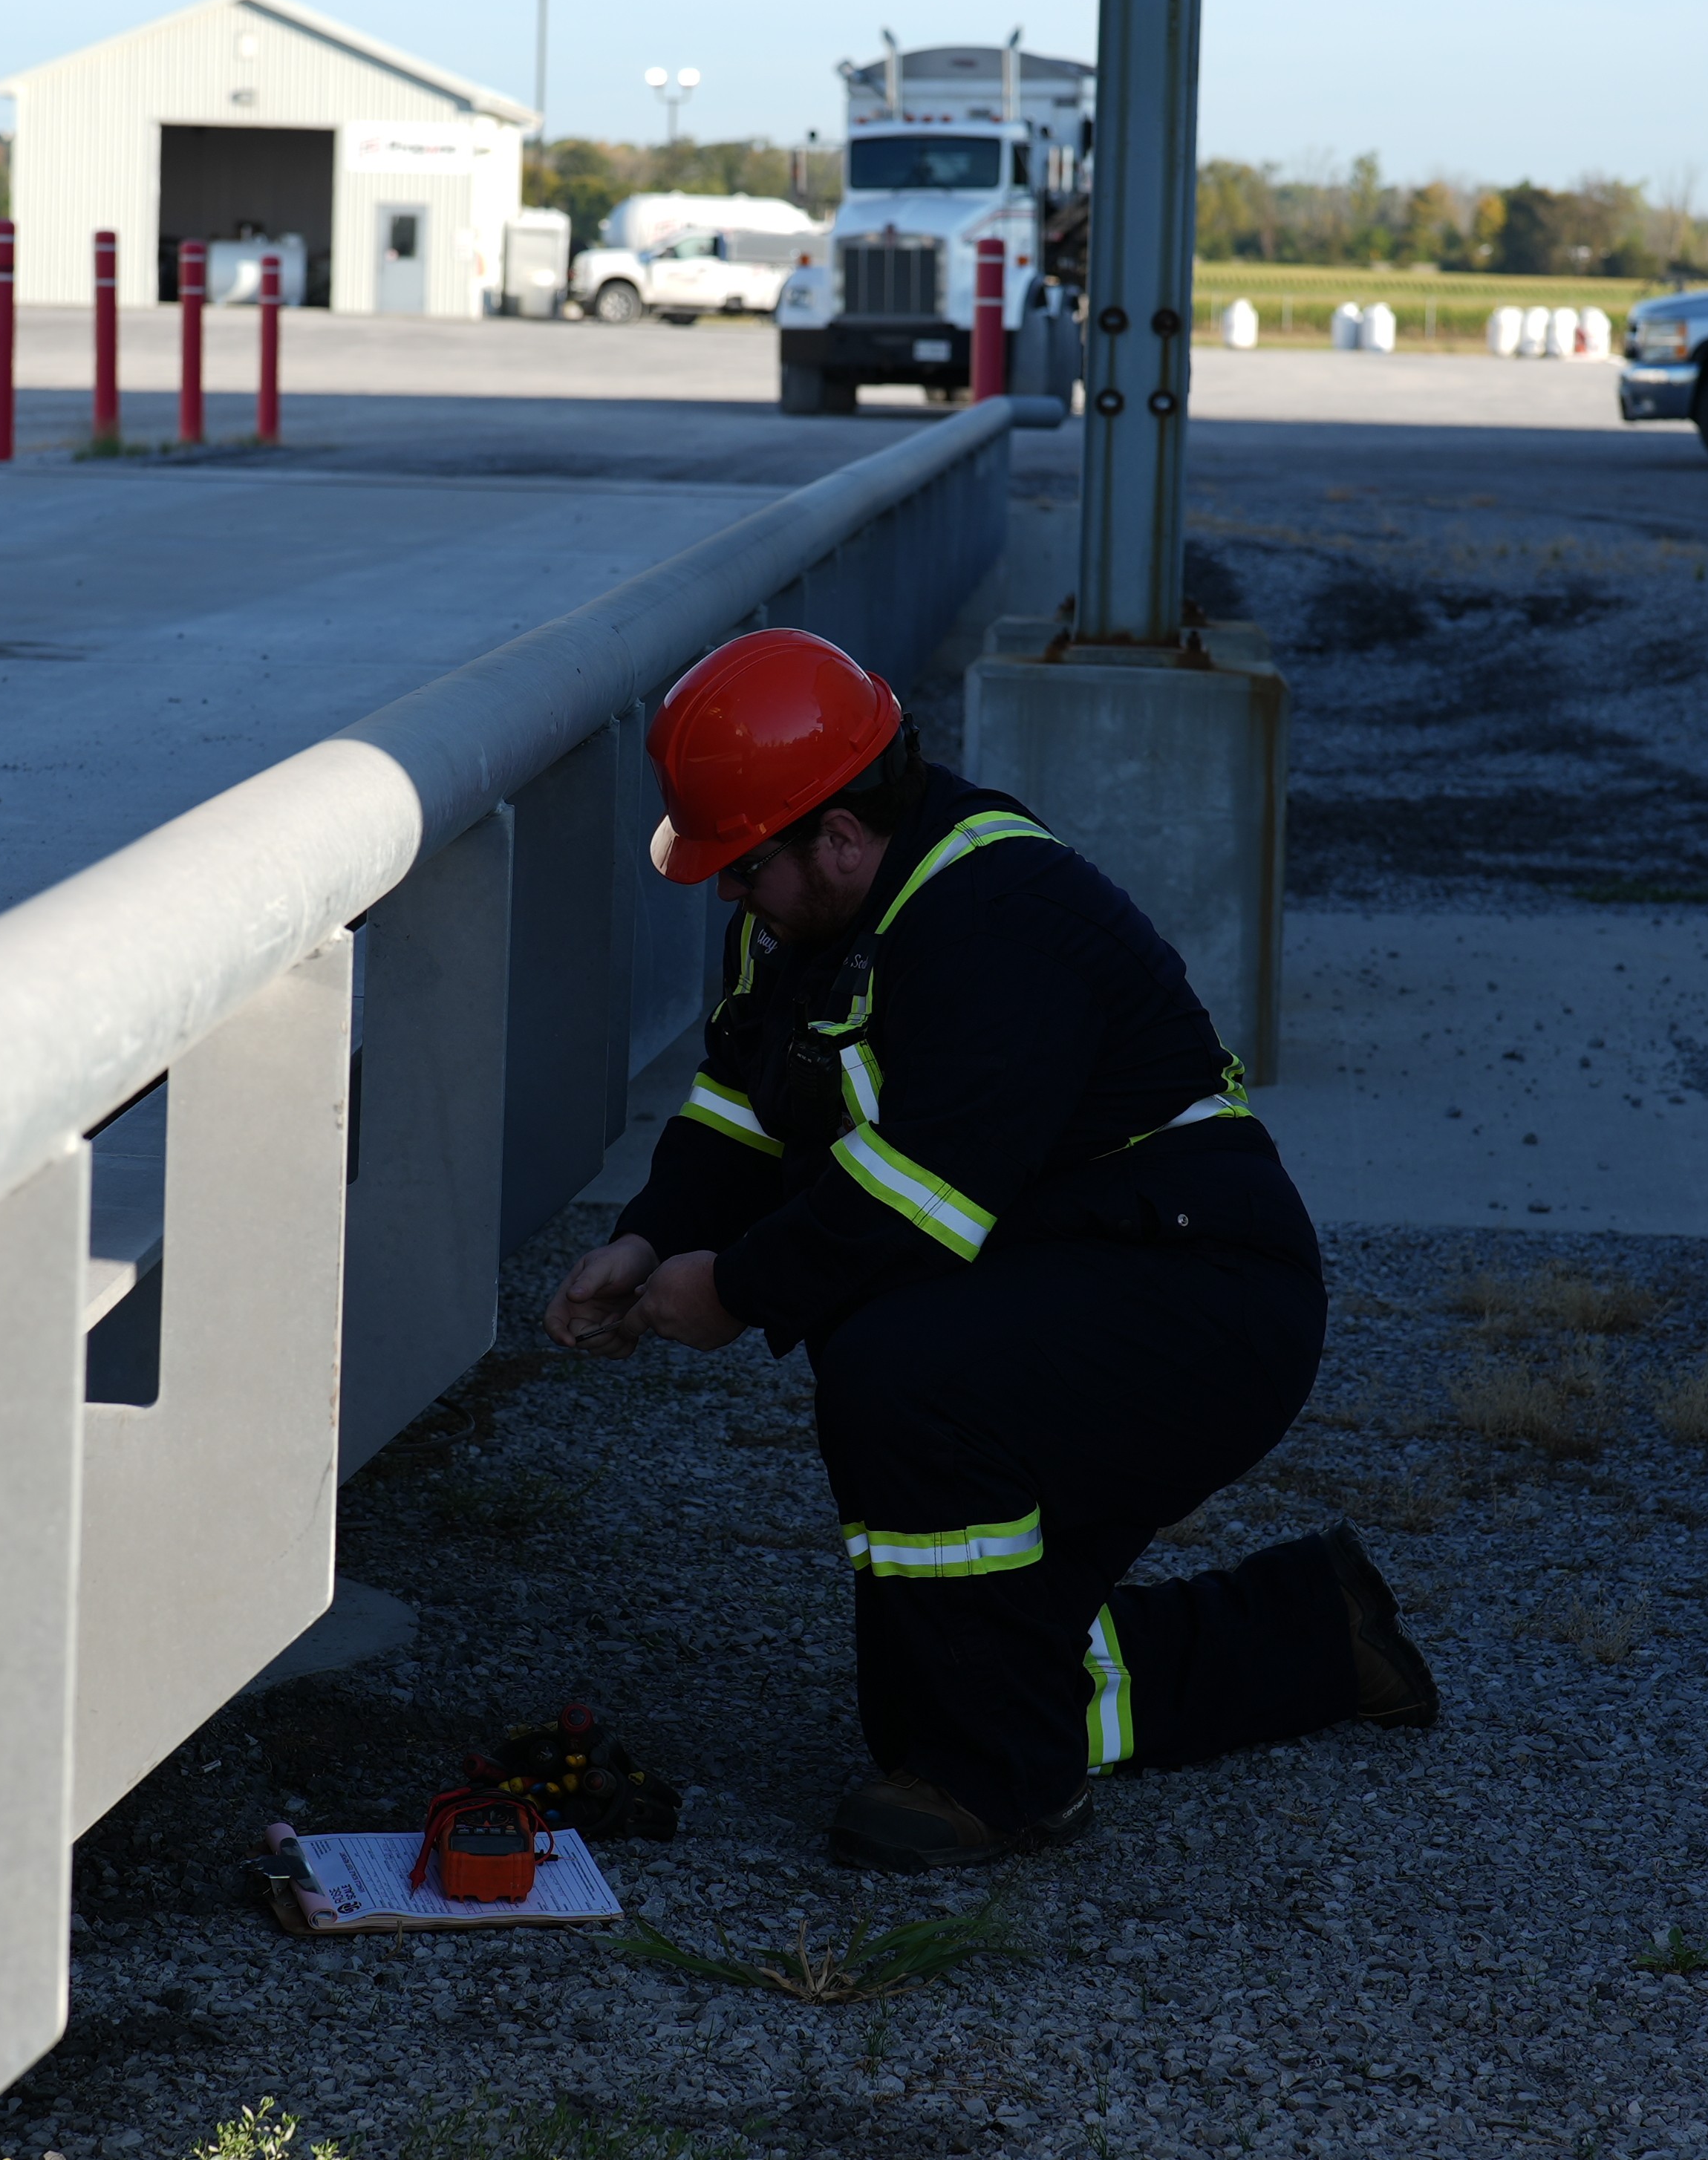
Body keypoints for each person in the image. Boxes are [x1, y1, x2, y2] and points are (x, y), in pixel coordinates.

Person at [546, 626, 1429, 1870]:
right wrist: (650, 1238)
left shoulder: (1001, 917)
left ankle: (1000, 1787)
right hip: (1073, 1272)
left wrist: (734, 1291)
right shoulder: (803, 920)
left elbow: (922, 1196)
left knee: (905, 1377)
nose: (729, 899)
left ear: (841, 837)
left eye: (742, 872)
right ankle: (1311, 1634)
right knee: (949, 1672)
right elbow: (741, 1113)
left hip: (1204, 1297)